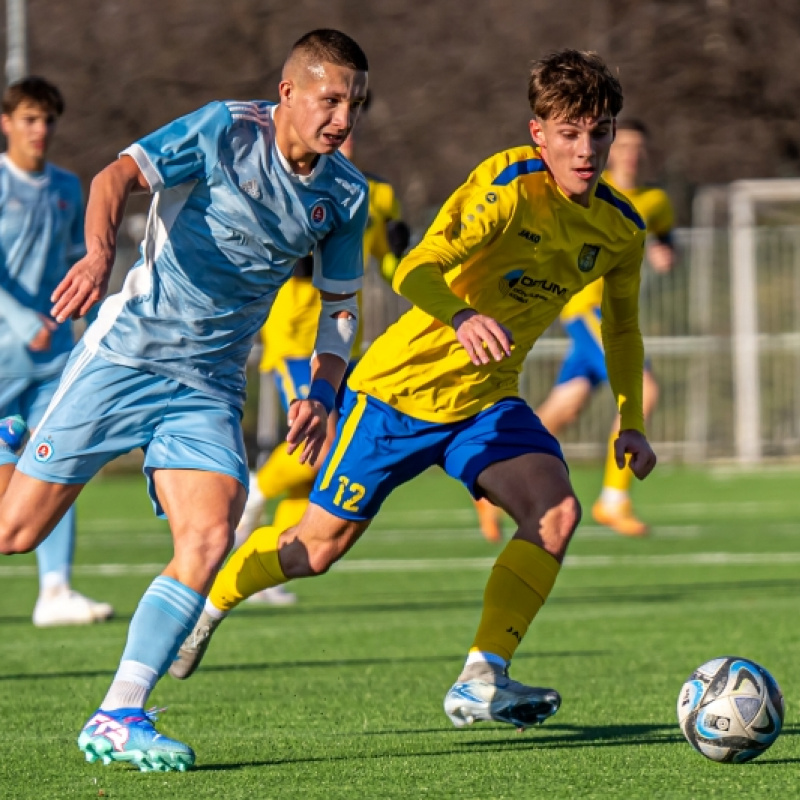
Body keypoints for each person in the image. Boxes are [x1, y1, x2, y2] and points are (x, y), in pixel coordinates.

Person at [170, 49, 657, 734]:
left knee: (555, 514)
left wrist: (631, 421)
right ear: (538, 132)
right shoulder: (506, 185)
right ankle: (213, 599)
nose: (586, 150)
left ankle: (482, 676)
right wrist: (462, 316)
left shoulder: (621, 228)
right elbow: (416, 270)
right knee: (315, 550)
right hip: (395, 396)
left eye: (599, 132)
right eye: (569, 133)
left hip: (484, 402)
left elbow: (626, 329)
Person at [0, 29, 369, 771]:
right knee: (14, 535)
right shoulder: (225, 129)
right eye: (331, 101)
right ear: (289, 94)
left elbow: (340, 309)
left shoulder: (344, 195)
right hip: (125, 355)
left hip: (207, 386)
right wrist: (100, 254)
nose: (343, 119)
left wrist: (326, 388)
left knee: (208, 537)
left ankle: (119, 713)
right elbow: (114, 177)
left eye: (355, 104)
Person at [235, 101, 410, 605]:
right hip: (295, 339)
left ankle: (266, 563)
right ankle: (255, 492)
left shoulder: (376, 194)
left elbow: (392, 265)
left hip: (340, 343)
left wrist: (406, 252)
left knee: (313, 455)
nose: (342, 128)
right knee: (320, 446)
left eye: (352, 119)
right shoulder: (300, 181)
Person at [0, 76, 113, 626]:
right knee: (4, 499)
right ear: (6, 123)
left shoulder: (69, 187)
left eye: (46, 120)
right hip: (5, 356)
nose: (39, 130)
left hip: (54, 360)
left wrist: (88, 327)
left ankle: (55, 591)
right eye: (28, 119)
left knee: (54, 464)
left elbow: (79, 266)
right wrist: (26, 322)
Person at [536, 118, 675, 536]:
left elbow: (667, 236)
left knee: (569, 403)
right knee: (645, 390)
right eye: (624, 144)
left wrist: (665, 253)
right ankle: (614, 500)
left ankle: (489, 461)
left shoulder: (654, 201)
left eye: (638, 146)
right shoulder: (590, 190)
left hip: (613, 311)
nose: (630, 154)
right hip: (586, 310)